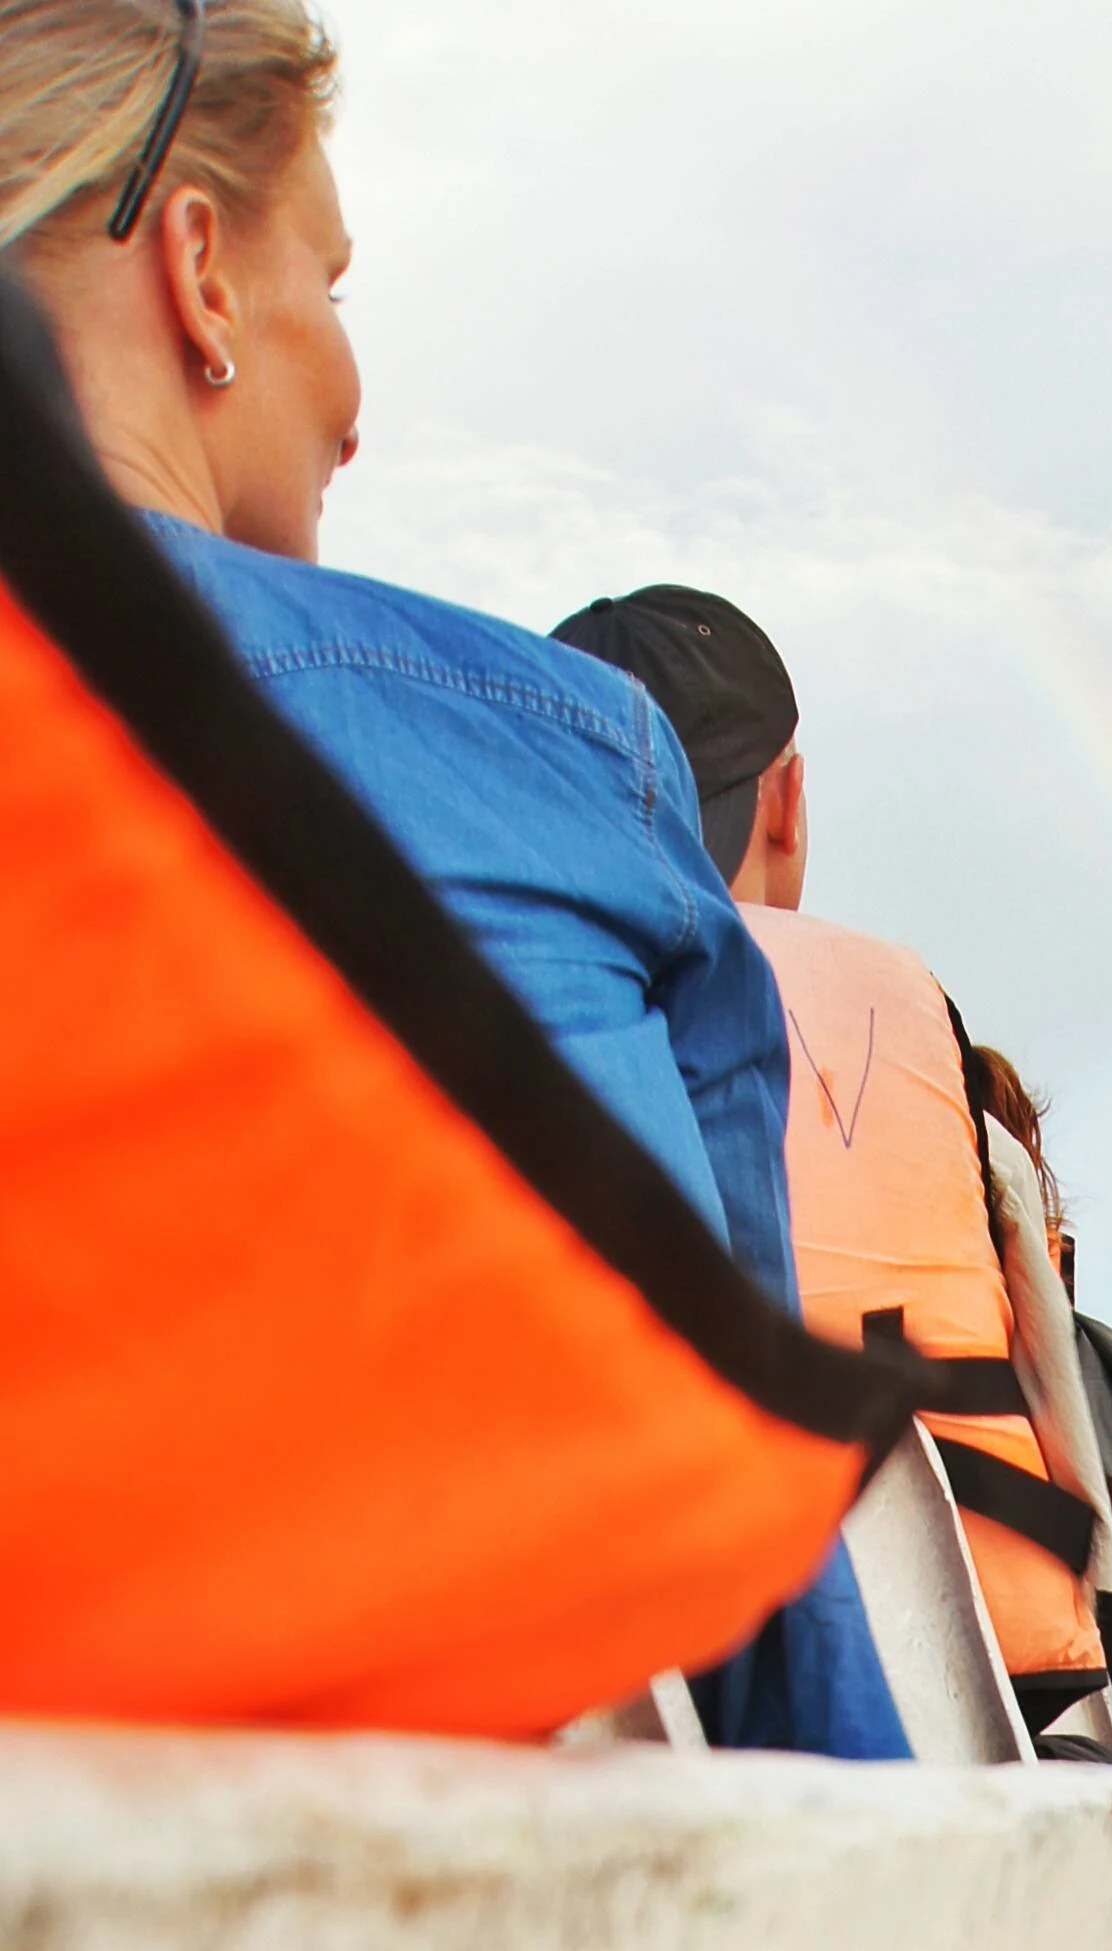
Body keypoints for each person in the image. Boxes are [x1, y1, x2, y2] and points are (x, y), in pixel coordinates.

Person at [0, 0, 908, 1761]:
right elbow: (752, 1503)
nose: (355, 395)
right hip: (456, 1765)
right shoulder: (559, 743)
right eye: (330, 285)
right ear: (197, 272)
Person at [554, 586, 1112, 1743]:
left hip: (595, 1649)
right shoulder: (922, 1033)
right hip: (980, 1663)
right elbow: (1062, 1404)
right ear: (788, 801)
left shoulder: (501, 1000)